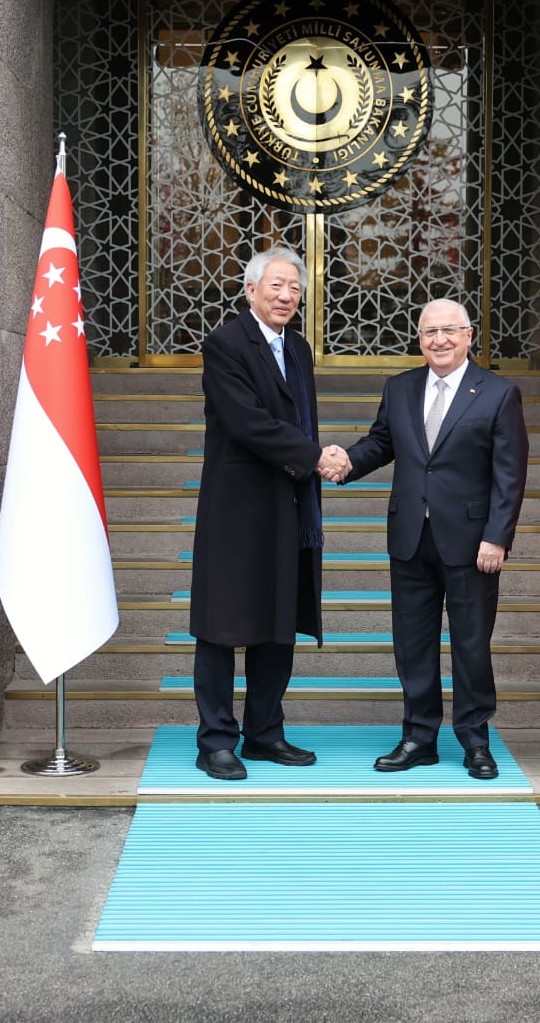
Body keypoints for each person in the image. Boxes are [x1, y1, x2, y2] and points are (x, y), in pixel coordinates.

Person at [330, 300, 529, 779]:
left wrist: (497, 537)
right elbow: (381, 443)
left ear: (468, 335)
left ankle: (475, 741)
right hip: (410, 537)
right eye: (428, 332)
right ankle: (419, 737)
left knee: (471, 645)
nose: (438, 340)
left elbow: (510, 473)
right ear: (418, 340)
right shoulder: (400, 388)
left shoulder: (499, 393)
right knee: (413, 645)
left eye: (448, 331)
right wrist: (345, 463)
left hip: (471, 542)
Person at [188, 246, 349, 780]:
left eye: (295, 289)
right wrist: (312, 456)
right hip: (237, 513)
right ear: (251, 290)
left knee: (278, 625)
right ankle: (215, 741)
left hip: (289, 506)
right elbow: (246, 421)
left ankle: (263, 733)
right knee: (220, 628)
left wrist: (311, 463)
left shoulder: (298, 348)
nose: (285, 296)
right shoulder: (225, 344)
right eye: (276, 286)